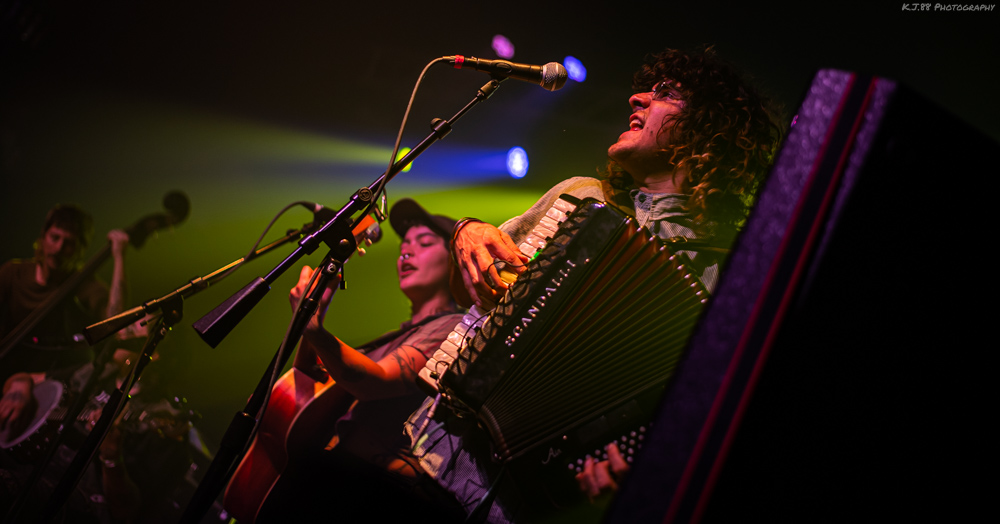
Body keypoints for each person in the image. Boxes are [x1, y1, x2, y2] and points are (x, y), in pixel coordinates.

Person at [405, 46, 784, 522]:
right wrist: (466, 233)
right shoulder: (579, 196)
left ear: (710, 133)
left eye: (665, 94)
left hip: (531, 506)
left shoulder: (726, 280)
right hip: (434, 452)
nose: (637, 98)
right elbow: (467, 298)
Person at [261, 198, 467, 523]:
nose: (406, 252)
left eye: (424, 243)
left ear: (454, 262)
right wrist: (316, 314)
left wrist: (313, 327)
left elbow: (373, 382)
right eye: (405, 245)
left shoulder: (453, 328)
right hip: (340, 484)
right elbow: (306, 381)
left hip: (372, 497)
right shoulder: (394, 337)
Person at [0, 204, 129, 445]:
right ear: (43, 236)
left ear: (80, 250)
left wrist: (119, 256)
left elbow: (116, 322)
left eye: (68, 243)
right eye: (54, 238)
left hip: (45, 390)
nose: (59, 249)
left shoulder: (82, 285)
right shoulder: (13, 273)